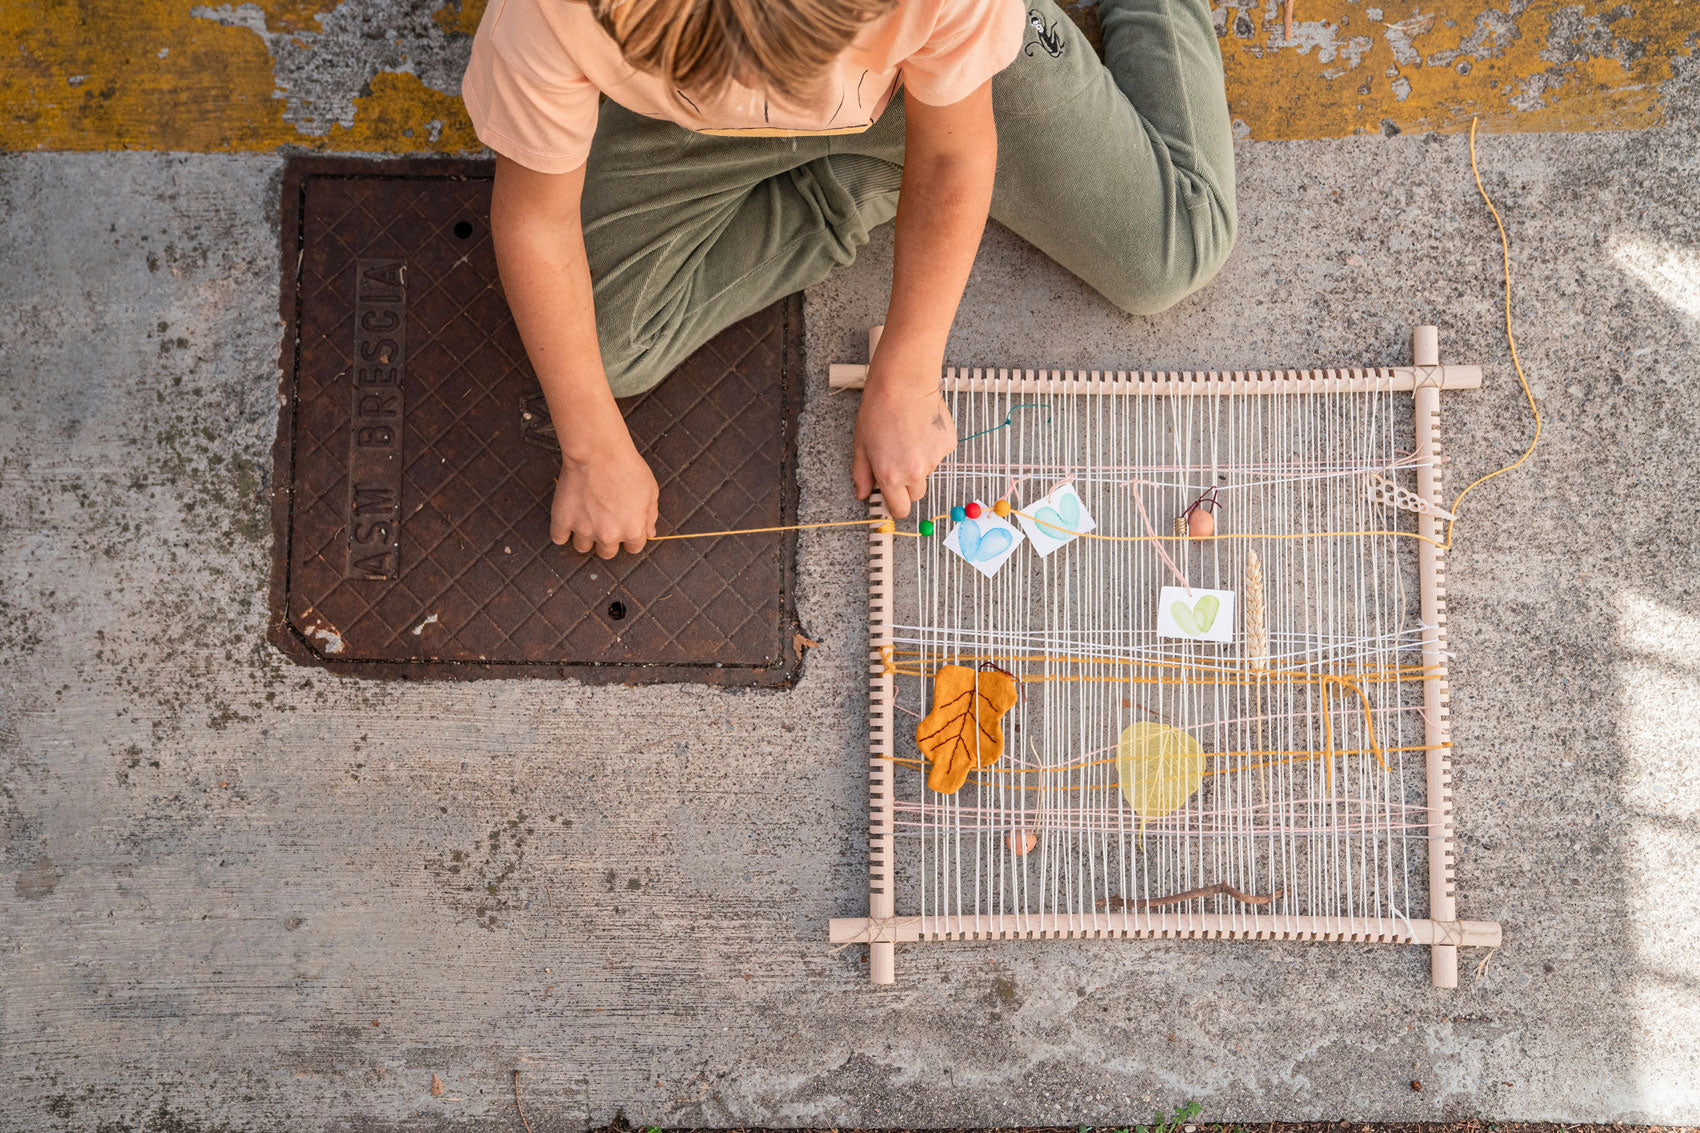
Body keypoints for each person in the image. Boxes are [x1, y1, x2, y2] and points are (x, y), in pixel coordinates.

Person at [462, 0, 1235, 560]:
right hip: (691, 111)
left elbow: (953, 156)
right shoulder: (552, 13)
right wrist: (592, 450)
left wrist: (909, 368)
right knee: (601, 348)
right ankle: (863, 174)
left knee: (1171, 249)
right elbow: (534, 220)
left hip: (902, 74)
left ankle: (896, 134)